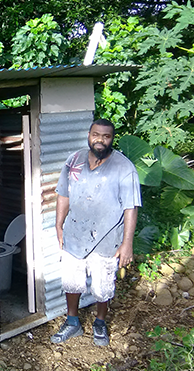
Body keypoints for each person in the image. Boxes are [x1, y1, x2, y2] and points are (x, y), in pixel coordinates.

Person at [50, 118, 141, 346]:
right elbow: (64, 193)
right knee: (72, 282)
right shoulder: (74, 160)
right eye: (96, 135)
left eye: (106, 136)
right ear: (89, 135)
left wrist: (127, 244)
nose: (100, 140)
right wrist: (59, 225)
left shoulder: (124, 168)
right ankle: (72, 322)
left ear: (112, 139)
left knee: (102, 287)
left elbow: (131, 207)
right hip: (75, 233)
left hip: (107, 238)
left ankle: (99, 323)